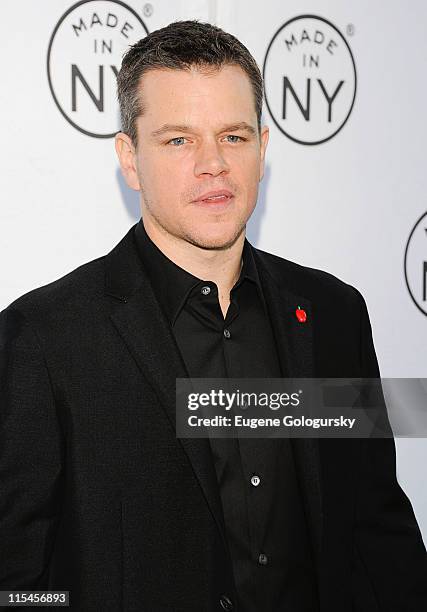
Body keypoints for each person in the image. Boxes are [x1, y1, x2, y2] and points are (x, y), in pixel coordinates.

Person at [0, 19, 426, 612]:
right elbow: (17, 577)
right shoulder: (45, 337)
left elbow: (377, 533)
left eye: (233, 136)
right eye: (178, 140)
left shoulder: (333, 316)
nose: (213, 165)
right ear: (130, 158)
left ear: (263, 148)